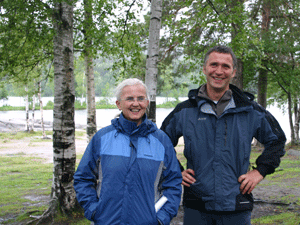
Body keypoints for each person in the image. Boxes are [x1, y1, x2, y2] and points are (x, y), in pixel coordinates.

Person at [161, 45, 286, 225]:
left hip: (236, 205)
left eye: (225, 66)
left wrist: (260, 171)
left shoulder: (250, 110)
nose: (219, 71)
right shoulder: (186, 110)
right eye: (214, 65)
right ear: (204, 69)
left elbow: (278, 140)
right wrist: (176, 171)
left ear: (233, 72)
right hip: (196, 206)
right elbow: (160, 143)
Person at [73, 78, 182, 225]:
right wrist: (94, 210)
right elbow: (83, 178)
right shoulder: (102, 138)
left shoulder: (161, 141)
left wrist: (160, 218)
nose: (135, 103)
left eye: (140, 98)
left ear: (147, 103)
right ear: (118, 104)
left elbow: (173, 184)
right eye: (129, 99)